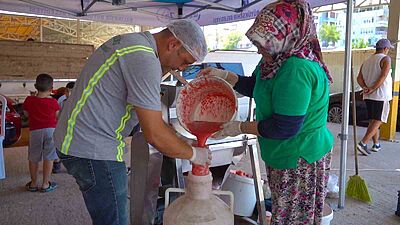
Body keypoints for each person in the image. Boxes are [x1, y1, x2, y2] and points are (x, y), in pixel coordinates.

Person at [53, 19, 210, 225]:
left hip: (75, 139)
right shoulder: (144, 58)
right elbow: (154, 134)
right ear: (173, 44)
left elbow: (150, 118)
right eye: (185, 61)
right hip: (93, 149)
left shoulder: (133, 42)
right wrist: (195, 154)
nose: (180, 69)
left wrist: (181, 140)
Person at [199, 1, 333, 224]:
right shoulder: (274, 60)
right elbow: (262, 90)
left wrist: (238, 128)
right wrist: (226, 77)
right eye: (257, 42)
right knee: (284, 212)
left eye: (264, 43)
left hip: (299, 159)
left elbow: (284, 127)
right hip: (283, 154)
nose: (259, 49)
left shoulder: (296, 68)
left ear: (286, 36)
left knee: (293, 219)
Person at [23, 73, 60, 192]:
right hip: (51, 131)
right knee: (49, 157)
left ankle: (33, 183)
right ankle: (45, 184)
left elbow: (26, 114)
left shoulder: (29, 100)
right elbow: (57, 116)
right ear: (51, 89)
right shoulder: (54, 102)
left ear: (35, 86)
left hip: (35, 131)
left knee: (33, 157)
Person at [356, 38, 394, 155]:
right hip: (380, 95)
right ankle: (363, 143)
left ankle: (376, 144)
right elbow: (383, 76)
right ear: (385, 48)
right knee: (379, 120)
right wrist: (373, 88)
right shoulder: (385, 59)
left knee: (373, 120)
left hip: (368, 96)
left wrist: (365, 87)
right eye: (388, 49)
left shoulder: (367, 61)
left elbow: (359, 78)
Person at [51, 82, 76, 173]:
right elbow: (57, 115)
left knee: (72, 148)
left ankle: (72, 165)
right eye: (67, 91)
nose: (69, 94)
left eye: (72, 92)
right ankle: (57, 162)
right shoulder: (61, 101)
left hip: (74, 129)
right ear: (65, 92)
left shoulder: (79, 102)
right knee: (59, 145)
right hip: (62, 126)